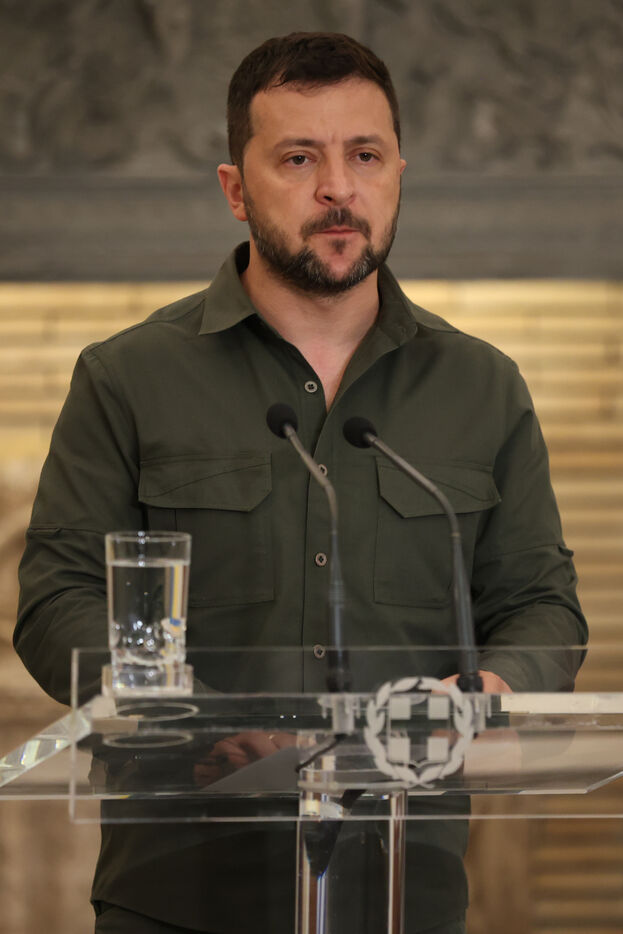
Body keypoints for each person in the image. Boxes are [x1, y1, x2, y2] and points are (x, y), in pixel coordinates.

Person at [15, 32, 587, 934]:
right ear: (234, 189)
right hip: (176, 892)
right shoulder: (127, 377)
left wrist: (482, 694)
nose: (337, 188)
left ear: (398, 173)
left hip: (405, 887)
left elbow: (542, 606)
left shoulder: (482, 386)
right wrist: (194, 720)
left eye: (364, 155)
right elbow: (57, 601)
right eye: (298, 158)